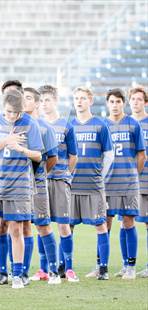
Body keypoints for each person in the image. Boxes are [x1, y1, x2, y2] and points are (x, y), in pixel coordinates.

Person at [0, 89, 43, 289]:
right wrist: (5, 142)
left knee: (16, 230)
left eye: (14, 113)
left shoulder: (30, 124)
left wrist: (22, 150)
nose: (10, 116)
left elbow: (39, 156)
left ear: (21, 111)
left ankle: (17, 275)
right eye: (7, 112)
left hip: (19, 186)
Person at [22, 87, 65, 285]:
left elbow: (53, 158)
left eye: (29, 98)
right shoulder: (16, 126)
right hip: (18, 184)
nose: (24, 100)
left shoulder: (44, 127)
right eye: (22, 97)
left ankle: (54, 271)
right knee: (20, 227)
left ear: (37, 103)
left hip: (38, 184)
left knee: (43, 226)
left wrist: (39, 174)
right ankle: (20, 273)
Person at [70, 86, 114, 281]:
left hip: (94, 185)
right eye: (76, 98)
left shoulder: (100, 125)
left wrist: (100, 176)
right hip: (71, 186)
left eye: (83, 98)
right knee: (67, 226)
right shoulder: (69, 125)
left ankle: (103, 269)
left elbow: (109, 156)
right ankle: (66, 268)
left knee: (100, 225)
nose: (79, 102)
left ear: (90, 101)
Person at [103, 88, 145, 280]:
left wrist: (132, 174)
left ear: (123, 104)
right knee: (106, 223)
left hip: (128, 183)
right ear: (107, 104)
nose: (115, 105)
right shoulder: (103, 125)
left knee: (128, 222)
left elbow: (141, 154)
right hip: (107, 183)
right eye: (111, 101)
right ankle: (102, 266)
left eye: (118, 101)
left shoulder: (133, 124)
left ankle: (131, 266)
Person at [40, 85, 79, 282]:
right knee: (42, 224)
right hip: (41, 182)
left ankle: (69, 268)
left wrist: (66, 176)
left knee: (64, 226)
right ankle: (43, 269)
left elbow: (73, 156)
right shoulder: (36, 124)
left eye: (47, 100)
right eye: (41, 101)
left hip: (60, 180)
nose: (44, 104)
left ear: (55, 100)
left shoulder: (66, 125)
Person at [0, 79, 25, 284]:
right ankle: (3, 272)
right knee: (1, 228)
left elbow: (43, 156)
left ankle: (20, 272)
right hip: (0, 183)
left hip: (23, 185)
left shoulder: (30, 123)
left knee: (21, 228)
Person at [129, 86, 148, 277]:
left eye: (139, 99)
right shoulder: (125, 123)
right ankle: (128, 264)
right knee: (127, 220)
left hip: (145, 179)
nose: (135, 102)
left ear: (145, 102)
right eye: (133, 99)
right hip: (128, 182)